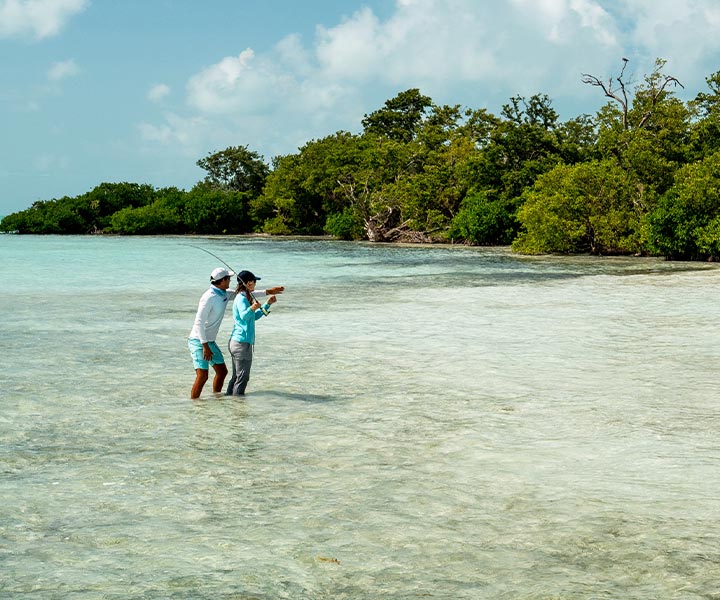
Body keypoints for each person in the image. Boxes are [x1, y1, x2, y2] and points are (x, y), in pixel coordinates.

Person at [188, 267, 283, 400]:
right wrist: (205, 346)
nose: (230, 281)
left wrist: (269, 292)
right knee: (203, 376)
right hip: (199, 340)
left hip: (210, 340)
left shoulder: (224, 293)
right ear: (222, 281)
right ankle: (195, 405)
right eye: (228, 279)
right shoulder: (208, 297)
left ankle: (218, 399)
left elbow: (246, 291)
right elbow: (198, 323)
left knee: (222, 372)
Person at [226, 270, 277, 396]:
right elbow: (244, 316)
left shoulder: (244, 297)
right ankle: (238, 407)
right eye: (254, 282)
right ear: (248, 283)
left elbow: (253, 317)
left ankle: (229, 401)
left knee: (237, 376)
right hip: (241, 343)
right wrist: (252, 307)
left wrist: (267, 304)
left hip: (238, 342)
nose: (255, 284)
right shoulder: (242, 298)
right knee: (243, 377)